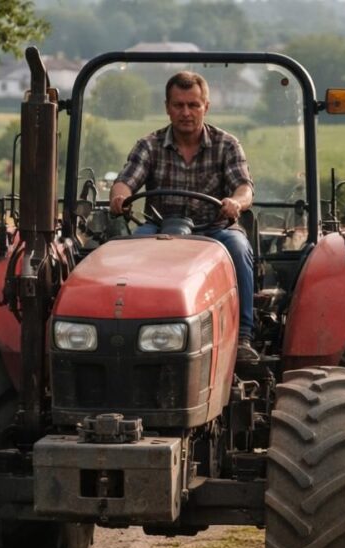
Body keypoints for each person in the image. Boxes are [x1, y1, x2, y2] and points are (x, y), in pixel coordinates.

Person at [110, 70, 258, 362]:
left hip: (212, 230)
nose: (186, 112)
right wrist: (120, 196)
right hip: (161, 229)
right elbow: (127, 180)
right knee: (129, 249)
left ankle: (243, 336)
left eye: (193, 105)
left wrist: (236, 203)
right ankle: (130, 329)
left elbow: (244, 187)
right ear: (167, 107)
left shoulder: (226, 144)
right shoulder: (149, 145)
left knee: (238, 248)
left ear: (206, 107)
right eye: (179, 105)